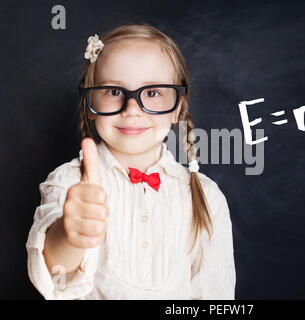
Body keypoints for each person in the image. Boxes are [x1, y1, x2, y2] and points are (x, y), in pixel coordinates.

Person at [25, 23, 236, 300]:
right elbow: (53, 269)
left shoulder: (207, 197)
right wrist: (68, 234)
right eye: (114, 92)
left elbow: (214, 294)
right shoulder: (69, 181)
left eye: (152, 93)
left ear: (178, 108)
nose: (132, 109)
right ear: (91, 104)